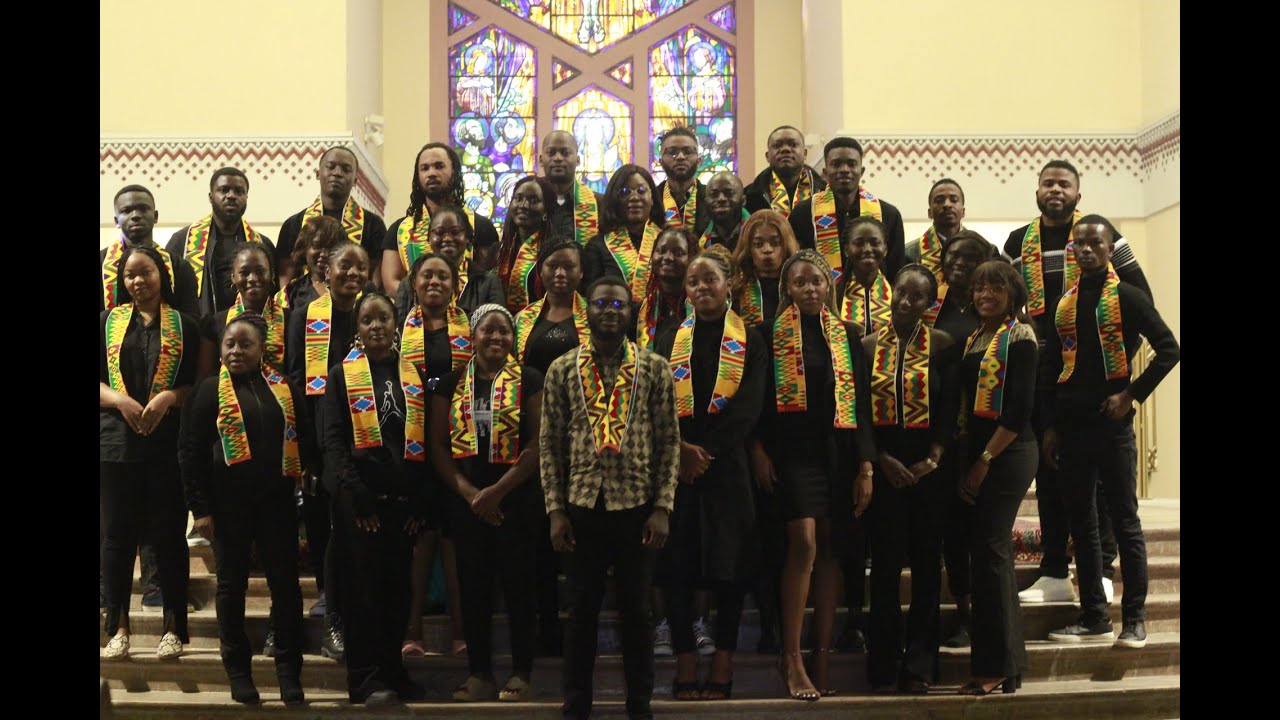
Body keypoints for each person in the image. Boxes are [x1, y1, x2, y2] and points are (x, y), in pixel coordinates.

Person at [1005, 161, 1147, 606]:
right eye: (1048, 183)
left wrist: (1114, 357)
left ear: (1078, 195)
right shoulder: (1017, 242)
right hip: (1045, 378)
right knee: (1050, 468)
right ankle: (1052, 570)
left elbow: (1141, 298)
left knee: (1099, 478)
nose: (1055, 190)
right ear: (1037, 190)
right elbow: (1010, 304)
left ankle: (1101, 568)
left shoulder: (1102, 237)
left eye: (1064, 184)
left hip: (1095, 377)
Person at [541, 276, 680, 720]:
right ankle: (576, 706)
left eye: (618, 304)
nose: (609, 311)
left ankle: (640, 707)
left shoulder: (654, 367)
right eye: (601, 303)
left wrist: (663, 507)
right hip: (581, 505)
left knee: (637, 615)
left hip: (636, 505)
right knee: (580, 613)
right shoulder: (562, 369)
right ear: (588, 311)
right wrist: (555, 509)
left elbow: (669, 442)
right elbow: (550, 444)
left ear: (630, 312)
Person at [1042, 216, 1180, 649]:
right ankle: (1094, 617)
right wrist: (1049, 427)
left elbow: (1169, 348)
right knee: (1081, 523)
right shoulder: (1063, 304)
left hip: (1112, 425)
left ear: (1108, 248)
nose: (1085, 250)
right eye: (1079, 244)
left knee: (1124, 521)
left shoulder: (1127, 295)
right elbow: (1051, 370)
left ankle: (1134, 620)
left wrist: (1131, 396)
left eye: (1094, 243)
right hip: (1071, 428)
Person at [753, 249, 875, 700]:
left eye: (817, 282)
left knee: (829, 550)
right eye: (800, 282)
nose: (809, 289)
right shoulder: (765, 335)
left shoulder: (848, 335)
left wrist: (866, 466)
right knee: (802, 542)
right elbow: (756, 401)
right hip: (790, 453)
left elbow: (861, 405)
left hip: (838, 455)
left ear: (830, 287)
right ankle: (792, 655)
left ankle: (821, 655)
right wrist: (757, 450)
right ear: (788, 288)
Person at [179, 313, 318, 705]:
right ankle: (238, 671)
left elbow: (304, 438)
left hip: (276, 503)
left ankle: (289, 671)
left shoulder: (282, 388)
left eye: (245, 345)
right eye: (229, 344)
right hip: (228, 507)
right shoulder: (208, 391)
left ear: (261, 350)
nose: (236, 351)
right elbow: (190, 454)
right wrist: (200, 509)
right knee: (230, 586)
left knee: (286, 587)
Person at [653, 247, 766, 701]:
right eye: (694, 282)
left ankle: (722, 659)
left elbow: (750, 407)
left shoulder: (751, 339)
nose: (702, 288)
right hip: (677, 467)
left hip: (727, 464)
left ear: (728, 283)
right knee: (678, 564)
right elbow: (657, 401)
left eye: (710, 280)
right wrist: (680, 451)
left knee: (729, 568)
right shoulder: (666, 337)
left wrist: (706, 452)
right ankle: (684, 657)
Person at [431, 304, 545, 702]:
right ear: (473, 335)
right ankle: (479, 673)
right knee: (473, 588)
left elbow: (537, 443)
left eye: (504, 332)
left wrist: (498, 492)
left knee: (519, 588)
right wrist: (470, 493)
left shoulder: (529, 379)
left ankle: (521, 671)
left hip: (516, 499)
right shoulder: (450, 383)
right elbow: (438, 447)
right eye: (488, 331)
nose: (496, 338)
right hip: (467, 502)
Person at [322, 292, 430, 706]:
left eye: (383, 318)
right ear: (358, 330)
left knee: (397, 590)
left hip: (401, 502)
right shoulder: (340, 375)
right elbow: (333, 442)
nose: (376, 326)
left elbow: (418, 440)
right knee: (362, 592)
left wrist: (419, 499)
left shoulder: (412, 374)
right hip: (359, 503)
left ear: (395, 322)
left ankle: (392, 670)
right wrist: (357, 495)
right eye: (367, 320)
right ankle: (365, 678)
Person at [861, 265, 961, 693]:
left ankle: (920, 664)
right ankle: (883, 663)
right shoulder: (865, 347)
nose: (905, 302)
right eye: (901, 292)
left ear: (929, 303)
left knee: (925, 569)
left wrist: (934, 458)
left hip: (929, 473)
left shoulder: (942, 346)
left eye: (916, 297)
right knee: (884, 570)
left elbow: (949, 408)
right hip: (885, 473)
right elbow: (860, 414)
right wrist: (879, 458)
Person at [99, 245, 200, 661]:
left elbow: (198, 383)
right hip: (116, 445)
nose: (138, 282)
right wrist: (120, 401)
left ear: (163, 275)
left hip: (166, 445)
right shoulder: (107, 322)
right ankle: (117, 627)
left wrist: (169, 398)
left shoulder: (186, 325)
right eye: (130, 276)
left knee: (169, 538)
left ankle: (174, 627)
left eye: (146, 273)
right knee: (116, 539)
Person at [284, 240, 374, 661]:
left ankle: (354, 612)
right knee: (324, 530)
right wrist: (306, 449)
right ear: (327, 269)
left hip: (365, 439)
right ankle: (330, 613)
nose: (352, 274)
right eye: (345, 266)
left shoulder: (373, 316)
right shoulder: (305, 316)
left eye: (360, 267)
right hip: (321, 438)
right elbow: (298, 382)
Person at [955, 261, 1039, 696]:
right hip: (983, 454)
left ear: (1013, 292)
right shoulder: (976, 337)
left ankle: (996, 668)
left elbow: (1019, 411)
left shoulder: (1020, 337)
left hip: (1009, 453)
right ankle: (1007, 665)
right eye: (980, 288)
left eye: (996, 288)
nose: (986, 295)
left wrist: (984, 459)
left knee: (990, 552)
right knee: (990, 556)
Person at [511, 238, 589, 654]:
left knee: (577, 532)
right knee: (540, 537)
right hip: (533, 436)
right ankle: (546, 623)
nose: (560, 274)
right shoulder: (523, 319)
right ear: (539, 273)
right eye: (552, 267)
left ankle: (578, 622)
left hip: (584, 436)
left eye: (569, 267)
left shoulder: (593, 317)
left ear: (580, 273)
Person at [397, 252, 472, 659]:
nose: (435, 282)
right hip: (411, 444)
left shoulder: (469, 329)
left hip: (457, 444)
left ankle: (461, 628)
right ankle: (412, 628)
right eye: (427, 275)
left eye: (443, 276)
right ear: (413, 281)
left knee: (452, 537)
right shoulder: (398, 328)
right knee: (421, 536)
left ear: (454, 284)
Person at [924, 231, 995, 650]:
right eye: (953, 256)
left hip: (983, 435)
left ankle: (988, 617)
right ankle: (964, 614)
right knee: (951, 529)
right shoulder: (934, 307)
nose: (959, 263)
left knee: (980, 531)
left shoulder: (995, 309)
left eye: (969, 257)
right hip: (942, 434)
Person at [382, 143, 502, 295]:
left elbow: (487, 278)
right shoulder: (398, 230)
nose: (431, 173)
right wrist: (429, 300)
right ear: (418, 176)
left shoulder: (481, 226)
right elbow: (391, 282)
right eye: (424, 168)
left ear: (454, 171)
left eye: (439, 166)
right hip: (415, 314)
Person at [789, 137, 907, 280]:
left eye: (851, 164)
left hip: (876, 299)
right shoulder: (803, 214)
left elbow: (897, 270)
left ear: (861, 171)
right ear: (825, 173)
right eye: (836, 164)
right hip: (822, 300)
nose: (844, 170)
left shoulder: (888, 214)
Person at [167, 167, 277, 317]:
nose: (231, 196)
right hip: (200, 332)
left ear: (246, 197)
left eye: (239, 191)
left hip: (251, 330)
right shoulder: (183, 241)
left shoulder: (262, 244)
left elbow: (273, 295)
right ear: (211, 197)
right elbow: (169, 294)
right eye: (224, 190)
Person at [274, 146, 387, 289]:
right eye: (330, 167)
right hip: (304, 304)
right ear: (317, 173)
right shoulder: (293, 224)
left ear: (355, 181)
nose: (337, 173)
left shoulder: (373, 224)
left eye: (346, 169)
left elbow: (376, 278)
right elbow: (285, 278)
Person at [103, 185, 199, 315]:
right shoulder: (102, 263)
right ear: (116, 221)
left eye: (143, 209)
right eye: (127, 210)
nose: (135, 215)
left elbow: (191, 323)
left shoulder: (179, 267)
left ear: (155, 216)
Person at [196, 244, 289, 379]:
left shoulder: (292, 321)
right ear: (233, 277)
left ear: (272, 275)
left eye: (260, 271)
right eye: (244, 273)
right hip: (227, 398)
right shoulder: (214, 324)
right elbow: (205, 378)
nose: (252, 278)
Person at [393, 205, 504, 315]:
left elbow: (497, 326)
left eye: (455, 232)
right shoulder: (409, 284)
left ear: (468, 237)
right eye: (439, 232)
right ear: (429, 238)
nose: (447, 239)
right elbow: (399, 326)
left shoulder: (488, 283)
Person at [581, 164, 664, 294]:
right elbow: (591, 294)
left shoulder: (666, 239)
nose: (635, 197)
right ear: (614, 199)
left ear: (652, 197)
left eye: (641, 190)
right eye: (624, 192)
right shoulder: (597, 246)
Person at [493, 176, 558, 312]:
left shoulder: (555, 253)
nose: (523, 205)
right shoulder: (498, 251)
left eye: (532, 200)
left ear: (546, 210)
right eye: (518, 198)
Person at [730, 210, 798, 328]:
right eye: (758, 244)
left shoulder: (799, 287)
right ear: (748, 249)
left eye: (775, 243)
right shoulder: (735, 290)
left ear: (786, 246)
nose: (767, 249)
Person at [538, 130, 604, 248]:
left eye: (565, 153)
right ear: (541, 160)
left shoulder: (599, 204)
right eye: (551, 152)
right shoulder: (528, 202)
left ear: (578, 160)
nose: (558, 158)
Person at [744, 125, 826, 217]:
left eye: (793, 145)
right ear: (767, 156)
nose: (785, 149)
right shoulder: (749, 197)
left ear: (805, 153)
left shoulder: (825, 192)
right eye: (777, 146)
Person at [904, 178, 975, 282]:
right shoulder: (909, 253)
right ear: (929, 213)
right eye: (939, 200)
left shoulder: (982, 250)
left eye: (954, 200)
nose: (947, 204)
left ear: (963, 211)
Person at [636, 226, 695, 349]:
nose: (668, 257)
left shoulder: (699, 308)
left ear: (691, 258)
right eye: (661, 251)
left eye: (678, 253)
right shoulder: (642, 311)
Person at [650, 126, 709, 237]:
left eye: (688, 151)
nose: (680, 157)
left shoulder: (711, 198)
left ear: (699, 161)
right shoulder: (651, 200)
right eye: (672, 152)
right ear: (661, 162)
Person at [280, 216, 342, 311]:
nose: (324, 254)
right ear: (305, 248)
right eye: (317, 245)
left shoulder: (355, 289)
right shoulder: (288, 293)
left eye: (331, 247)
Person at [699, 172, 749, 252]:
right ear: (705, 203)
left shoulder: (756, 233)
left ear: (743, 201)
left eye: (729, 193)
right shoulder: (700, 237)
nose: (721, 199)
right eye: (714, 194)